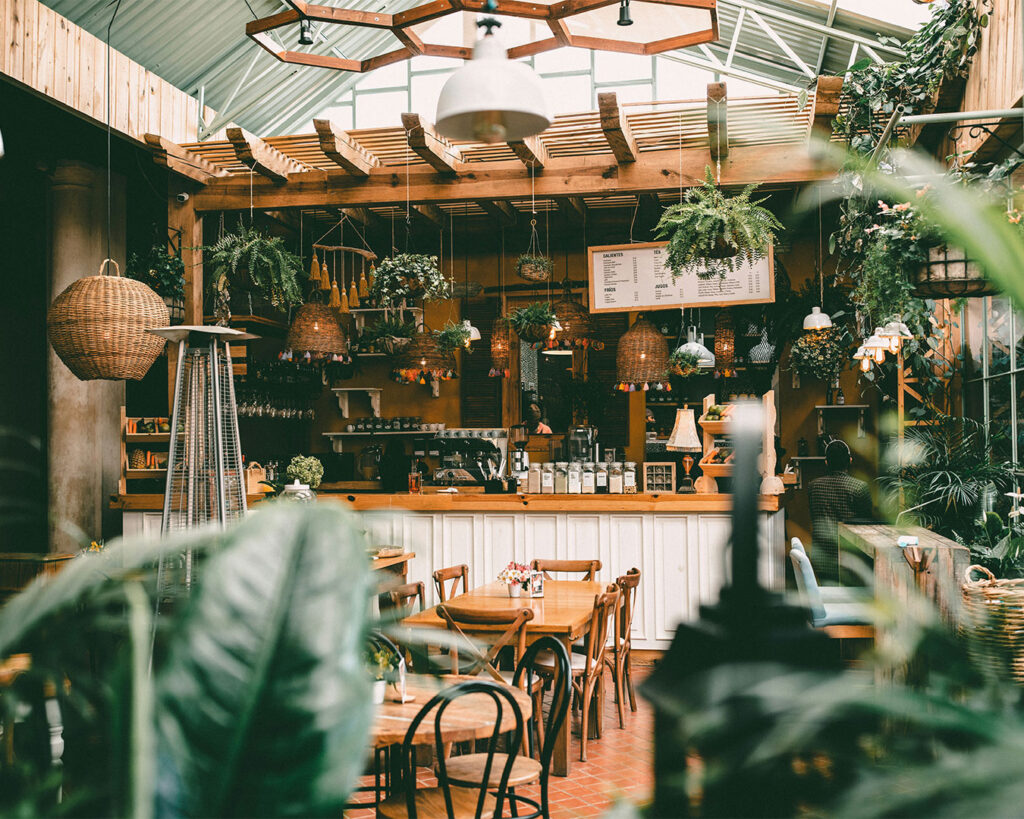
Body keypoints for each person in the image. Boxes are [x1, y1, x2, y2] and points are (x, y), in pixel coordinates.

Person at [808, 439, 873, 584]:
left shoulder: (813, 486)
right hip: (850, 559)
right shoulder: (859, 487)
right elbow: (868, 523)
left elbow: (814, 516)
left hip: (821, 557)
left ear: (826, 462)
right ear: (849, 460)